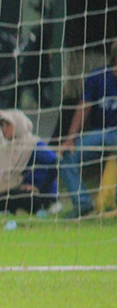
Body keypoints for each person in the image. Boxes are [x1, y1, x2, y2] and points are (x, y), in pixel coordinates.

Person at [59, 39, 117, 218]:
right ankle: (83, 204)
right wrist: (70, 139)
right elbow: (83, 109)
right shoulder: (98, 76)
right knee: (66, 156)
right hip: (100, 133)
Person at [0, 109, 58, 214]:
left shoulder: (34, 145)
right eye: (2, 125)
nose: (4, 129)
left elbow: (54, 162)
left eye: (8, 125)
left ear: (18, 125)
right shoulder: (7, 147)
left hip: (35, 193)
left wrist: (38, 186)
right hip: (14, 188)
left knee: (23, 197)